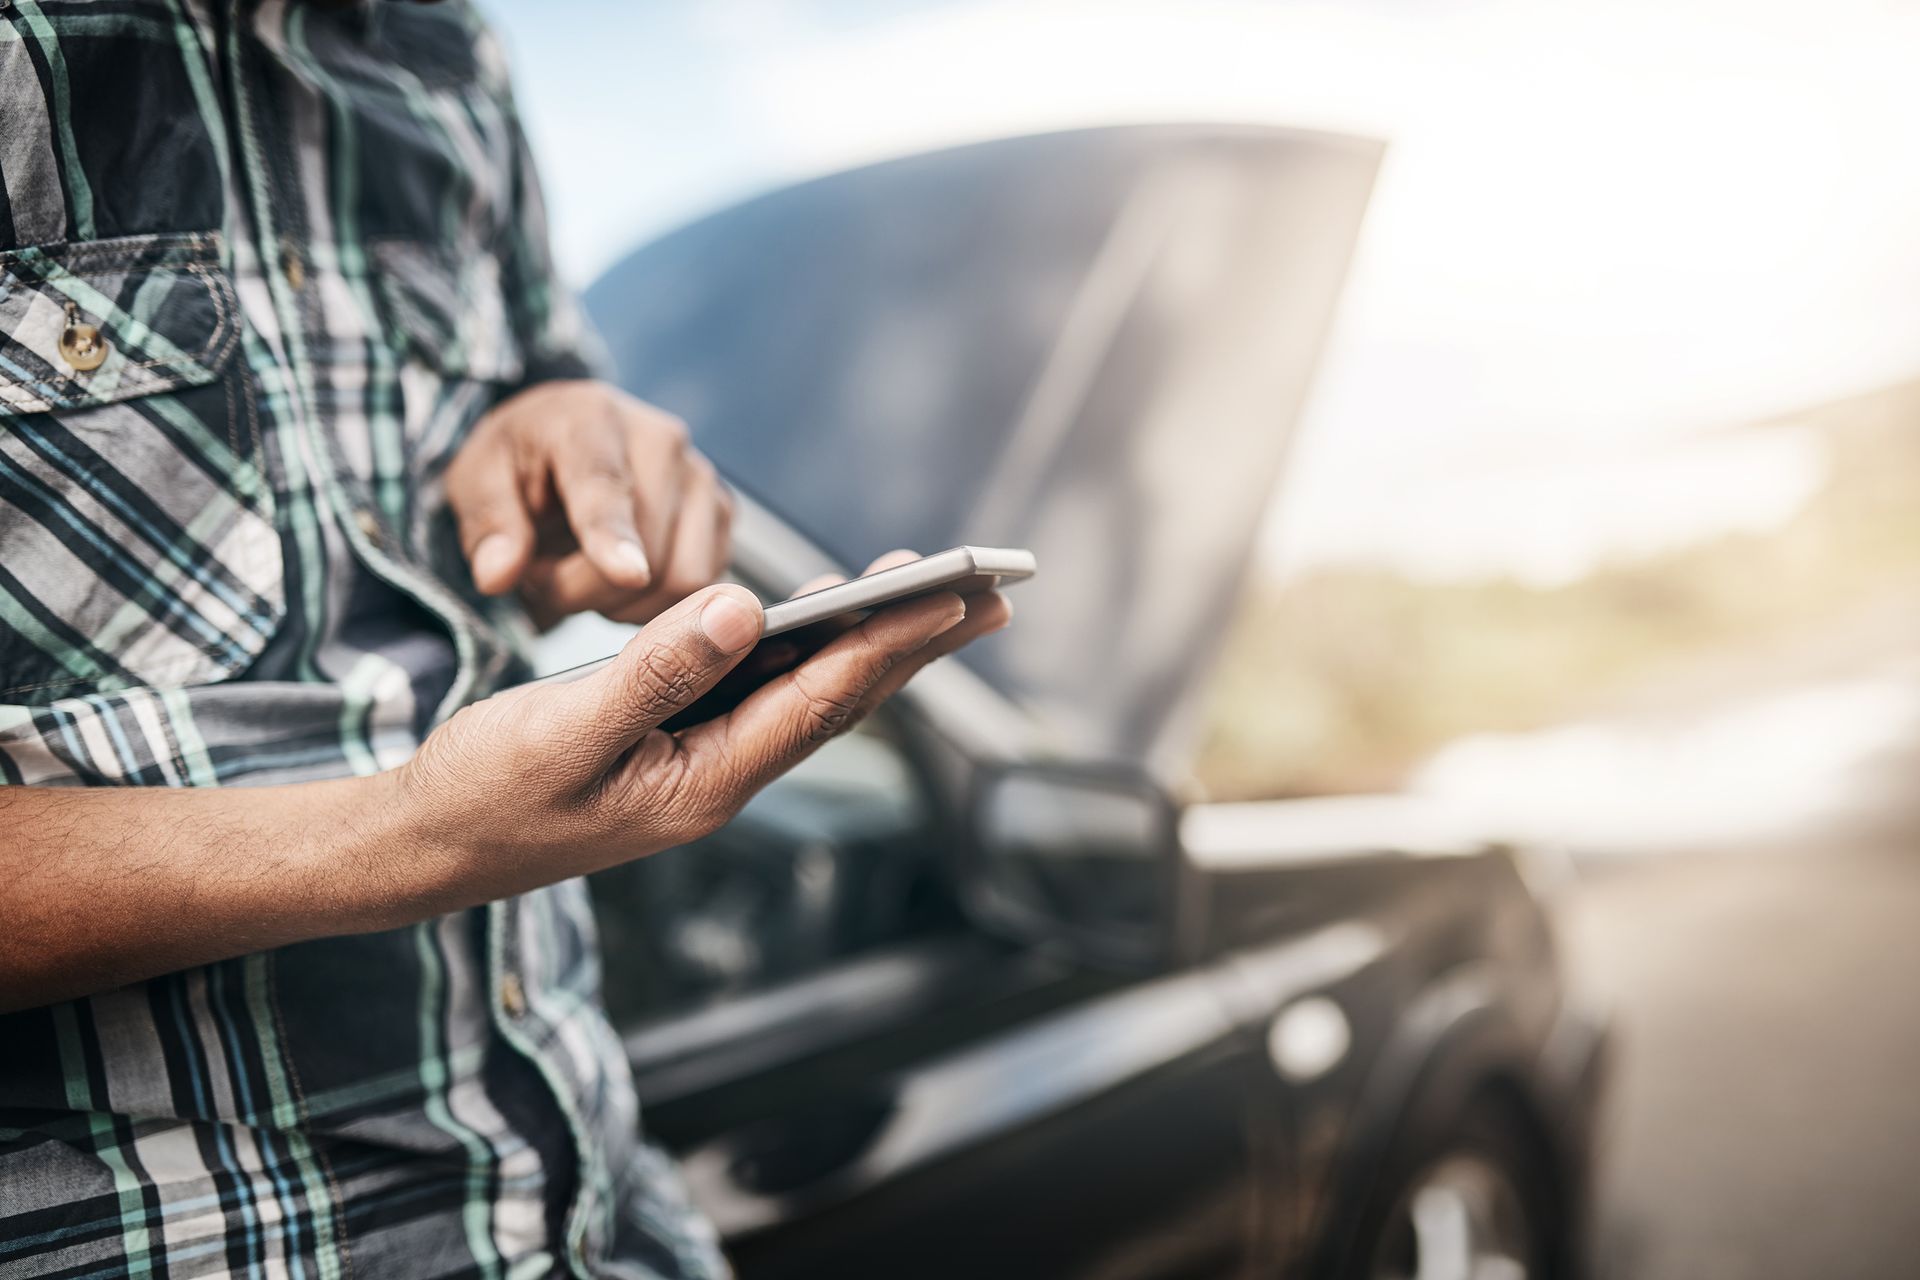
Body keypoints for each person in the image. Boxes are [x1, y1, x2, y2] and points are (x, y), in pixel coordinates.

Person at [0, 1, 1009, 1275]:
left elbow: (538, 410)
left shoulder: (447, 49)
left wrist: (569, 449)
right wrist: (410, 832)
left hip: (605, 1217)